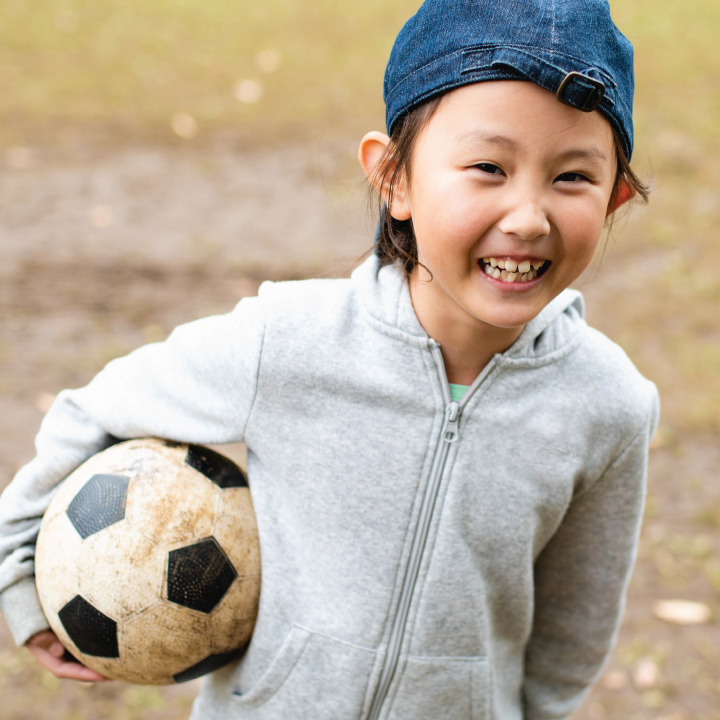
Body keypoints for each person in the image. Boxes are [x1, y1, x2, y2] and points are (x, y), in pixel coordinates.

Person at [0, 0, 659, 718]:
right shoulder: (289, 341)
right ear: (394, 179)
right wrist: (20, 579)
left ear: (616, 197)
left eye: (572, 178)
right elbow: (92, 410)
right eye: (488, 167)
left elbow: (575, 625)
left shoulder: (608, 405)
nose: (529, 217)